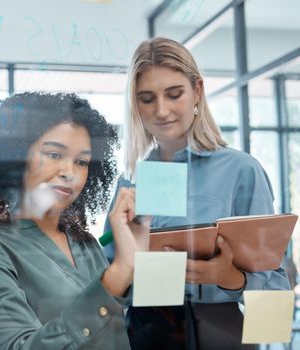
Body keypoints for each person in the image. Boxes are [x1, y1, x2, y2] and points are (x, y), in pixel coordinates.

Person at [103, 37, 290, 349]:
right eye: (147, 98)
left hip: (221, 332)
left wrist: (231, 278)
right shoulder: (132, 180)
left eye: (174, 94)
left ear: (197, 92)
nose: (161, 111)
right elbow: (107, 290)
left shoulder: (240, 171)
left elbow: (277, 303)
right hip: (148, 334)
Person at [0, 92, 151, 349]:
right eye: (54, 155)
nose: (69, 172)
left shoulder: (86, 244)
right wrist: (114, 279)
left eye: (81, 161)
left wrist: (137, 261)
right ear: (16, 157)